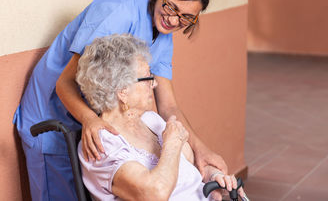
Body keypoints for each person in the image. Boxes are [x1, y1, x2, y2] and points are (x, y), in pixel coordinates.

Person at [13, 0, 228, 200]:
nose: (173, 19)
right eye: (171, 7)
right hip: (51, 115)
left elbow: (168, 105)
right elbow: (65, 82)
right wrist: (90, 120)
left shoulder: (164, 34)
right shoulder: (117, 11)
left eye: (186, 18)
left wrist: (201, 150)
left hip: (98, 120)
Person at [76, 34, 246, 201]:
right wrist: (171, 143)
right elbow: (154, 195)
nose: (154, 83)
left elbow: (191, 165)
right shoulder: (102, 144)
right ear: (122, 91)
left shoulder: (151, 120)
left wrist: (214, 176)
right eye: (148, 77)